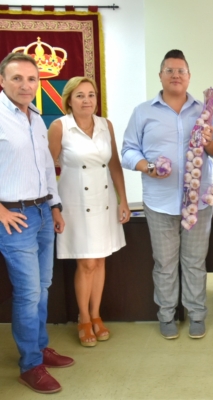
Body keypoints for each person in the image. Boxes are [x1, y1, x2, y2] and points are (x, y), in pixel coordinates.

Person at [122, 49, 213, 340]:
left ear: (189, 76)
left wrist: (208, 143)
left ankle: (196, 314)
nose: (176, 75)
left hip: (199, 201)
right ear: (160, 76)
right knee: (165, 264)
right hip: (159, 201)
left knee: (194, 261)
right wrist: (147, 167)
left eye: (181, 70)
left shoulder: (205, 111)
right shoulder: (143, 112)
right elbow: (128, 150)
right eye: (170, 70)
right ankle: (166, 314)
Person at [0, 52, 74, 394]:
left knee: (42, 286)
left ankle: (41, 347)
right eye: (17, 78)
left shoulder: (36, 118)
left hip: (43, 213)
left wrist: (55, 206)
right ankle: (30, 364)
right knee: (28, 292)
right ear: (3, 81)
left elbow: (46, 166)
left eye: (32, 79)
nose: (26, 85)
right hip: (13, 218)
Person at [47, 76, 130, 347]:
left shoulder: (106, 125)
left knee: (101, 259)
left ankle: (96, 315)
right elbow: (48, 171)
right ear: (69, 99)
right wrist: (54, 207)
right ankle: (84, 318)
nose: (87, 100)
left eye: (91, 95)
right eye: (80, 95)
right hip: (74, 201)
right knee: (86, 262)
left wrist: (123, 200)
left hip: (104, 197)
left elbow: (114, 163)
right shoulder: (60, 126)